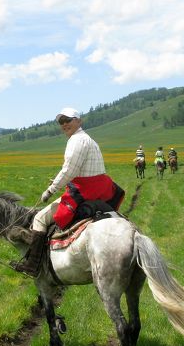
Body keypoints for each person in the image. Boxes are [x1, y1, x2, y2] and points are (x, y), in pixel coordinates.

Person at [12, 107, 124, 276]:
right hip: (101, 188)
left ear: (79, 121)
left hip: (85, 191)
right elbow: (82, 171)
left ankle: (32, 266)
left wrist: (50, 190)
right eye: (61, 122)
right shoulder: (89, 140)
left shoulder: (76, 140)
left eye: (68, 120)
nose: (64, 124)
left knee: (40, 219)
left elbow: (69, 171)